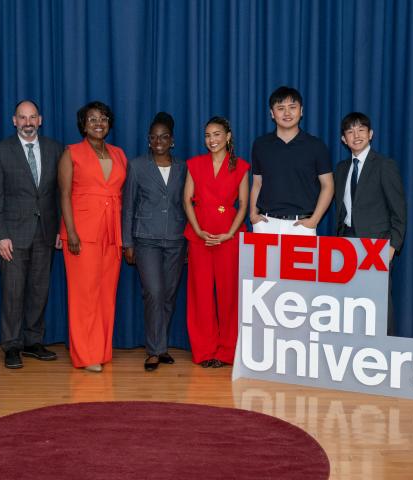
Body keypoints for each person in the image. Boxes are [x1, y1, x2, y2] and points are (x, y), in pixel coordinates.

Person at [0, 100, 63, 369]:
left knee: (39, 291)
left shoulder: (55, 149)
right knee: (13, 292)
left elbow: (61, 194)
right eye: (22, 117)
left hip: (46, 233)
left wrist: (60, 228)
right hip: (12, 236)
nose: (28, 122)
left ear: (40, 120)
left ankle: (33, 342)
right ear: (14, 121)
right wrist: (0, 235)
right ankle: (11, 345)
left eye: (32, 117)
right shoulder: (0, 150)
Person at [59, 101, 127, 373]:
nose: (98, 123)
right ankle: (85, 355)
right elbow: (64, 195)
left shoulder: (119, 154)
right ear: (83, 124)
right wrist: (71, 231)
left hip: (112, 233)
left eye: (103, 118)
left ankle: (101, 349)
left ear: (109, 123)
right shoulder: (71, 153)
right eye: (92, 119)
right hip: (82, 234)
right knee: (84, 295)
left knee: (106, 294)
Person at [122, 112, 187, 372]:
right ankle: (153, 350)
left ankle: (162, 347)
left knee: (169, 295)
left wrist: (190, 243)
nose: (158, 141)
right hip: (145, 239)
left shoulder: (183, 168)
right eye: (154, 137)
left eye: (164, 137)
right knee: (154, 293)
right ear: (149, 141)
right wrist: (127, 242)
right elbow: (127, 207)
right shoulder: (137, 166)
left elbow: (187, 205)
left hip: (176, 238)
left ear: (171, 140)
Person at [183, 116, 249, 368]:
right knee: (200, 295)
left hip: (228, 237)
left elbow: (243, 204)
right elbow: (186, 199)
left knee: (228, 295)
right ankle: (204, 350)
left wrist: (231, 233)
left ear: (228, 136)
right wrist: (198, 231)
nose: (212, 140)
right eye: (208, 135)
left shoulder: (241, 166)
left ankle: (226, 351)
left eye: (217, 134)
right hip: (200, 237)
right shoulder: (195, 164)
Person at [335, 112, 407, 335]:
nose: (356, 135)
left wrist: (392, 246)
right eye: (350, 131)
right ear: (343, 139)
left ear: (371, 134)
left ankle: (385, 351)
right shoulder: (340, 169)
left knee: (379, 301)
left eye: (361, 130)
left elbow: (399, 210)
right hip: (346, 242)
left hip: (377, 244)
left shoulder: (384, 165)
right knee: (350, 301)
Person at [250, 86, 334, 235]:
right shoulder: (260, 144)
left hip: (302, 226)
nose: (287, 113)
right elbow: (257, 182)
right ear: (272, 113)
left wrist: (314, 220)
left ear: (301, 111)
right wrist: (253, 215)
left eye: (292, 107)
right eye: (280, 108)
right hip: (265, 224)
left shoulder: (316, 145)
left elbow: (328, 185)